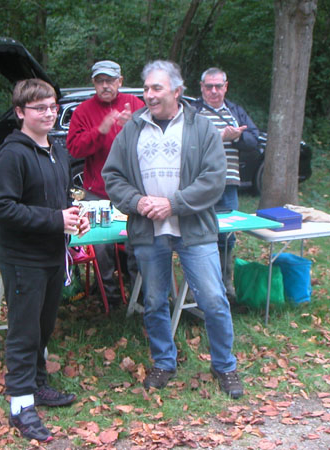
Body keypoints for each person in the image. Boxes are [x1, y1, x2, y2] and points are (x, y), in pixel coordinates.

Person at [103, 61, 243, 399]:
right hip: (150, 231)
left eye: (156, 89)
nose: (148, 95)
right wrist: (136, 202)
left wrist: (174, 204)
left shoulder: (201, 127)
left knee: (213, 299)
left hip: (194, 229)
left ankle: (224, 365)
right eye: (146, 89)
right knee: (154, 301)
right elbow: (113, 176)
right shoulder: (133, 128)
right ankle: (164, 362)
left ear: (177, 92)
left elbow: (214, 180)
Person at [0, 78, 90, 442]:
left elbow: (60, 198)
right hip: (22, 258)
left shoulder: (57, 149)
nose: (49, 114)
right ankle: (20, 405)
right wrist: (54, 219)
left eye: (52, 107)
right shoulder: (13, 154)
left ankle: (38, 384)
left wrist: (73, 214)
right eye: (39, 108)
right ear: (20, 112)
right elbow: (1, 208)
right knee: (24, 331)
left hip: (52, 255)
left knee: (45, 328)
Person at [66, 60, 144, 309]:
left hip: (132, 191)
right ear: (94, 84)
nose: (105, 85)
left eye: (110, 80)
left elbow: (153, 142)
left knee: (137, 241)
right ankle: (108, 294)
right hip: (96, 193)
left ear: (120, 81)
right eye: (100, 81)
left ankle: (137, 292)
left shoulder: (136, 105)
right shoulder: (83, 111)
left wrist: (134, 126)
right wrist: (101, 129)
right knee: (101, 248)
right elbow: (74, 148)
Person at [191, 67, 259, 303]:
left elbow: (254, 140)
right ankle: (200, 288)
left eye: (218, 86)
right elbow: (184, 143)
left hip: (229, 185)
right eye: (209, 86)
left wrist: (237, 137)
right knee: (199, 234)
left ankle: (226, 285)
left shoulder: (235, 111)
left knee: (227, 236)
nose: (213, 91)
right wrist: (219, 137)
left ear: (226, 87)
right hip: (199, 187)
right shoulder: (193, 111)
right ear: (201, 88)